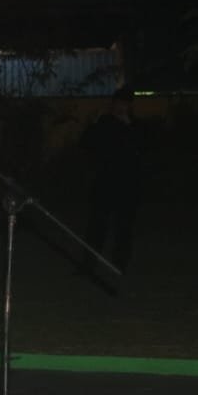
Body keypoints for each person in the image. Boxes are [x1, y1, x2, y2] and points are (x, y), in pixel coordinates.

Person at [80, 87, 141, 274]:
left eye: (125, 103)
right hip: (104, 182)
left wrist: (129, 126)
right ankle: (89, 263)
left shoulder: (135, 125)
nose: (121, 107)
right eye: (118, 103)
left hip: (126, 184)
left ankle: (119, 264)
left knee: (124, 227)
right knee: (97, 225)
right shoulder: (104, 122)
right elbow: (87, 143)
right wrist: (92, 123)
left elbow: (140, 151)